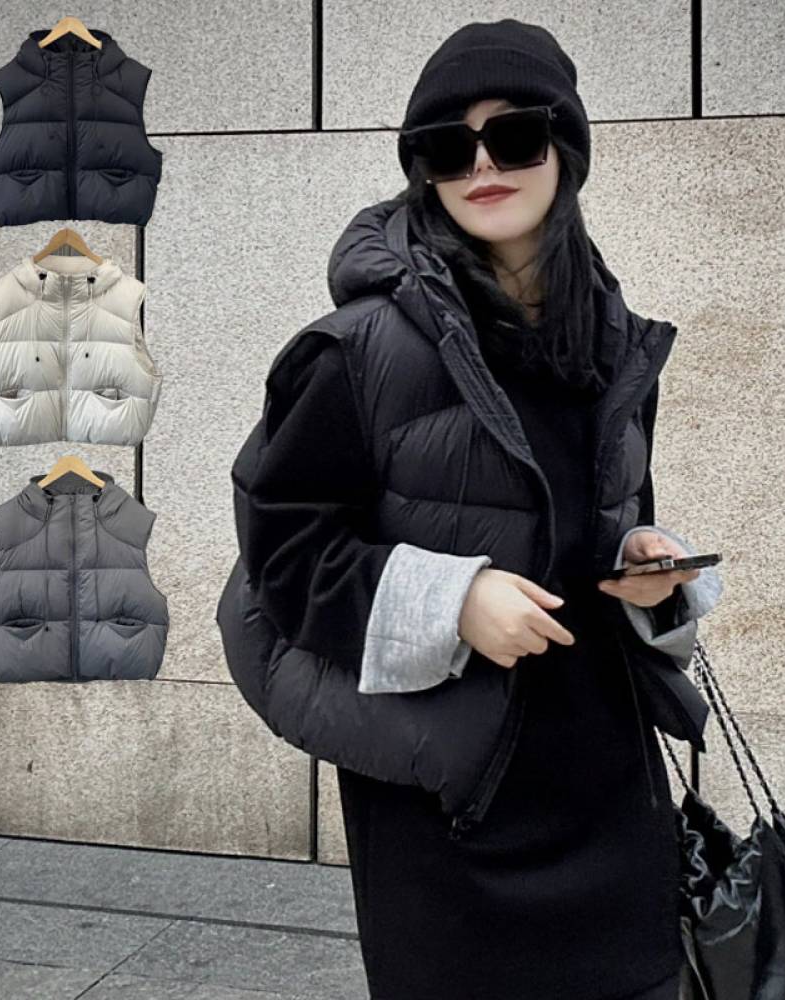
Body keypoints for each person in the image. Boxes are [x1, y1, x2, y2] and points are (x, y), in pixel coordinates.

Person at [234, 18, 724, 1000]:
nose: (484, 165)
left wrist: (645, 565)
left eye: (516, 135)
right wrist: (452, 601)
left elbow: (606, 523)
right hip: (451, 799)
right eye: (446, 146)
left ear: (566, 150)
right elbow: (284, 560)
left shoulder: (616, 347)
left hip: (610, 782)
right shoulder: (353, 351)